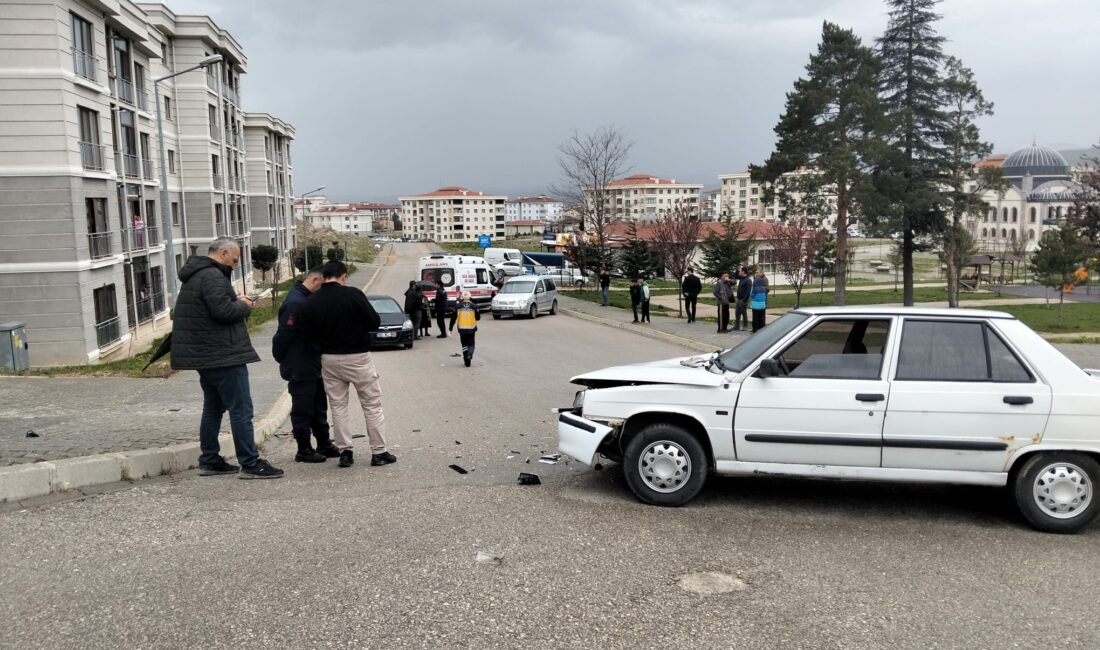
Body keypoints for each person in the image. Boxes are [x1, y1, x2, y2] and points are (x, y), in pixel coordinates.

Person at [171, 237, 283, 479]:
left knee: (213, 408)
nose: (235, 265)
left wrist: (235, 300)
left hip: (206, 355)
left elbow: (214, 307)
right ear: (223, 253)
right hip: (223, 355)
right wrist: (245, 304)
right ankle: (250, 463)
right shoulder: (212, 276)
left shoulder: (198, 275)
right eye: (234, 260)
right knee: (241, 409)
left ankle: (209, 460)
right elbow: (223, 311)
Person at [297, 260, 396, 469]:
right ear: (343, 276)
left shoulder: (311, 302)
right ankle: (379, 452)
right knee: (371, 405)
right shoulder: (354, 295)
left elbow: (306, 334)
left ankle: (345, 452)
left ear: (323, 277)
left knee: (338, 406)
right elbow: (374, 322)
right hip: (358, 357)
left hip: (329, 358)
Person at [272, 267, 337, 464]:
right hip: (300, 364)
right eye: (323, 285)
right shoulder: (296, 302)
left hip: (312, 362)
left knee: (318, 405)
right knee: (303, 408)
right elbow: (284, 335)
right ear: (315, 280)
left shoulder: (305, 298)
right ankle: (304, 449)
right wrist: (282, 357)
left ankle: (323, 443)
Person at [449, 291, 481, 367]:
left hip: (462, 329)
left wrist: (450, 329)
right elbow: (478, 318)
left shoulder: (458, 306)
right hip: (471, 329)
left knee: (464, 344)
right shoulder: (474, 306)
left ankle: (466, 359)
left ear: (462, 297)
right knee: (471, 344)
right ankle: (469, 355)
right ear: (470, 297)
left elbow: (453, 318)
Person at [751, 269, 768, 333]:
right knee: (761, 317)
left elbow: (751, 295)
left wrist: (753, 288)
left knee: (755, 318)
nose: (756, 274)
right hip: (762, 304)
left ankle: (755, 330)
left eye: (757, 272)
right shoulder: (763, 288)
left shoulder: (755, 288)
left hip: (756, 305)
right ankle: (761, 330)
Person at [735, 268, 753, 332]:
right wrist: (737, 269)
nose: (739, 272)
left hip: (743, 300)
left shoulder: (748, 280)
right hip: (739, 299)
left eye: (740, 271)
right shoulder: (742, 278)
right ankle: (737, 326)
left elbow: (748, 292)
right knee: (737, 313)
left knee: (744, 313)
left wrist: (744, 300)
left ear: (743, 272)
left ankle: (745, 326)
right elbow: (736, 276)